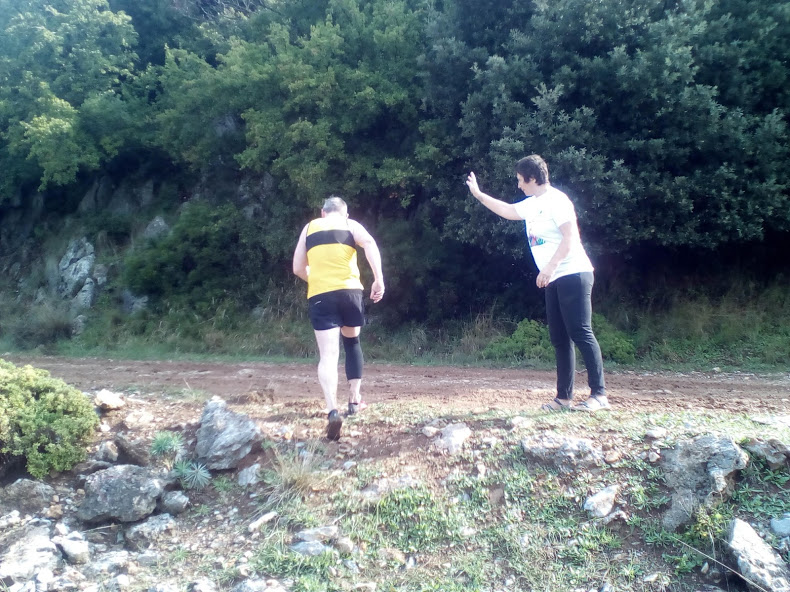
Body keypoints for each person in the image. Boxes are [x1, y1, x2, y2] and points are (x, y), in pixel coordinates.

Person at [465, 154, 609, 411]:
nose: (519, 185)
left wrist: (550, 268)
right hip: (553, 278)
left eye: (521, 180)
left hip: (573, 273)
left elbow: (570, 238)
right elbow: (507, 210)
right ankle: (563, 398)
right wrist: (479, 195)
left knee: (581, 332)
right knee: (559, 338)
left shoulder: (557, 201)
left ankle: (599, 395)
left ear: (533, 178)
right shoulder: (532, 204)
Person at [292, 196, 385, 440]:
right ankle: (354, 401)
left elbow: (297, 268)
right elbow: (370, 244)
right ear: (344, 213)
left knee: (328, 355)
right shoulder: (351, 225)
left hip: (321, 294)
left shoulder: (309, 228)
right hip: (350, 292)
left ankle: (333, 410)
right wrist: (378, 279)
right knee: (352, 342)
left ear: (323, 213)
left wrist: (318, 278)